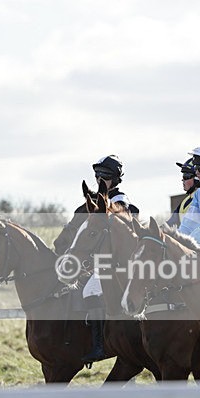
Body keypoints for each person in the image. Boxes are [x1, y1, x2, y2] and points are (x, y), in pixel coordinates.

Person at [65, 154, 139, 364]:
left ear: (115, 178)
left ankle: (99, 345)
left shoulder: (119, 200)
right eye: (97, 175)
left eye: (104, 175)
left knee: (90, 289)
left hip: (118, 263)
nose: (99, 179)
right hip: (103, 260)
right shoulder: (99, 201)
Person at [166, 158, 199, 228]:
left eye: (186, 176)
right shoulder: (185, 201)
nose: (182, 179)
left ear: (197, 179)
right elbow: (169, 224)